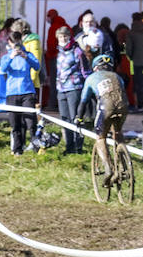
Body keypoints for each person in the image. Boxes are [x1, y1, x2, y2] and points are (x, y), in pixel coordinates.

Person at [78, 53, 127, 175]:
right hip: (123, 106)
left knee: (100, 137)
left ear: (95, 67)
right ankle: (123, 165)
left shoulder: (91, 78)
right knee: (117, 133)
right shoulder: (117, 77)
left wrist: (79, 118)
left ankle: (107, 167)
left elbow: (83, 102)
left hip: (106, 107)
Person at [0, 28, 40, 156]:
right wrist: (11, 57)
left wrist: (26, 57)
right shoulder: (6, 57)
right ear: (10, 43)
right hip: (11, 92)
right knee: (15, 123)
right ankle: (17, 149)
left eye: (18, 41)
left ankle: (36, 145)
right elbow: (2, 69)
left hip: (27, 91)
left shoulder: (27, 54)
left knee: (30, 121)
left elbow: (37, 66)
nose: (16, 45)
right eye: (13, 42)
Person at [54, 25, 87, 154]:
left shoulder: (77, 51)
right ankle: (69, 146)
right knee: (65, 118)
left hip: (74, 87)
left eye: (65, 36)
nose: (63, 39)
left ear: (70, 37)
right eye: (60, 37)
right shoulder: (59, 52)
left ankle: (78, 146)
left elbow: (84, 70)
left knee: (75, 117)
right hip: (61, 89)